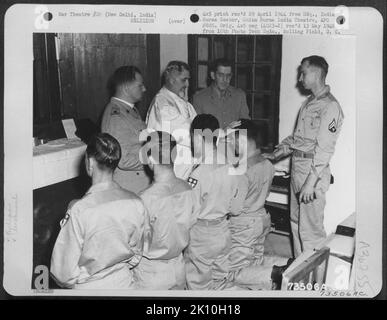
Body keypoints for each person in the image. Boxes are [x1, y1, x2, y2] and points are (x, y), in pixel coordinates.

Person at [264, 55, 344, 257]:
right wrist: (277, 152)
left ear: (316, 74)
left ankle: (315, 283)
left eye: (304, 72)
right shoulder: (309, 103)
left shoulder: (330, 106)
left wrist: (310, 183)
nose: (300, 78)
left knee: (311, 231)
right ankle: (300, 275)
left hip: (312, 173)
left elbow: (324, 150)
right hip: (298, 168)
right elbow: (298, 139)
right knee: (296, 224)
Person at [50, 133, 146, 289]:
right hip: (125, 283)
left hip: (90, 288)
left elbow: (63, 273)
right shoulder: (136, 202)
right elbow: (137, 254)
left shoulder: (79, 210)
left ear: (90, 162)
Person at [184, 114, 247, 290]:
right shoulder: (228, 165)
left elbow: (189, 211)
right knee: (220, 282)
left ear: (196, 137)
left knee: (198, 285)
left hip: (202, 236)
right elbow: (236, 205)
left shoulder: (199, 173)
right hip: (223, 231)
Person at [226, 119, 290, 290]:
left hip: (243, 224)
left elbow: (235, 208)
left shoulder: (242, 170)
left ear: (242, 140)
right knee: (255, 263)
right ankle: (285, 268)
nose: (230, 146)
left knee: (234, 272)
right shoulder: (268, 164)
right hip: (261, 218)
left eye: (232, 141)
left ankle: (277, 273)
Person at [133, 131, 198, 290]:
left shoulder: (144, 198)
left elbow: (134, 242)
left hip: (151, 273)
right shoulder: (188, 188)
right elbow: (192, 223)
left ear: (150, 160)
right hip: (179, 267)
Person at [101, 65, 150, 193]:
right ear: (126, 88)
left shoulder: (129, 109)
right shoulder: (116, 117)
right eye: (140, 85)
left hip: (139, 183)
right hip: (131, 187)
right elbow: (123, 160)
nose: (144, 89)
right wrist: (155, 158)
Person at [146, 61, 197, 180]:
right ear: (172, 80)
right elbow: (187, 133)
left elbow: (198, 124)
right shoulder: (163, 103)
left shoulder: (181, 101)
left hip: (187, 166)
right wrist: (221, 135)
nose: (187, 84)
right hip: (175, 168)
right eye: (184, 80)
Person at [193, 58, 250, 129]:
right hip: (210, 140)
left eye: (228, 76)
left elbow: (246, 128)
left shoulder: (239, 96)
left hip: (235, 140)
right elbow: (199, 134)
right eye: (221, 75)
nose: (225, 80)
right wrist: (223, 134)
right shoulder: (199, 98)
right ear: (213, 75)